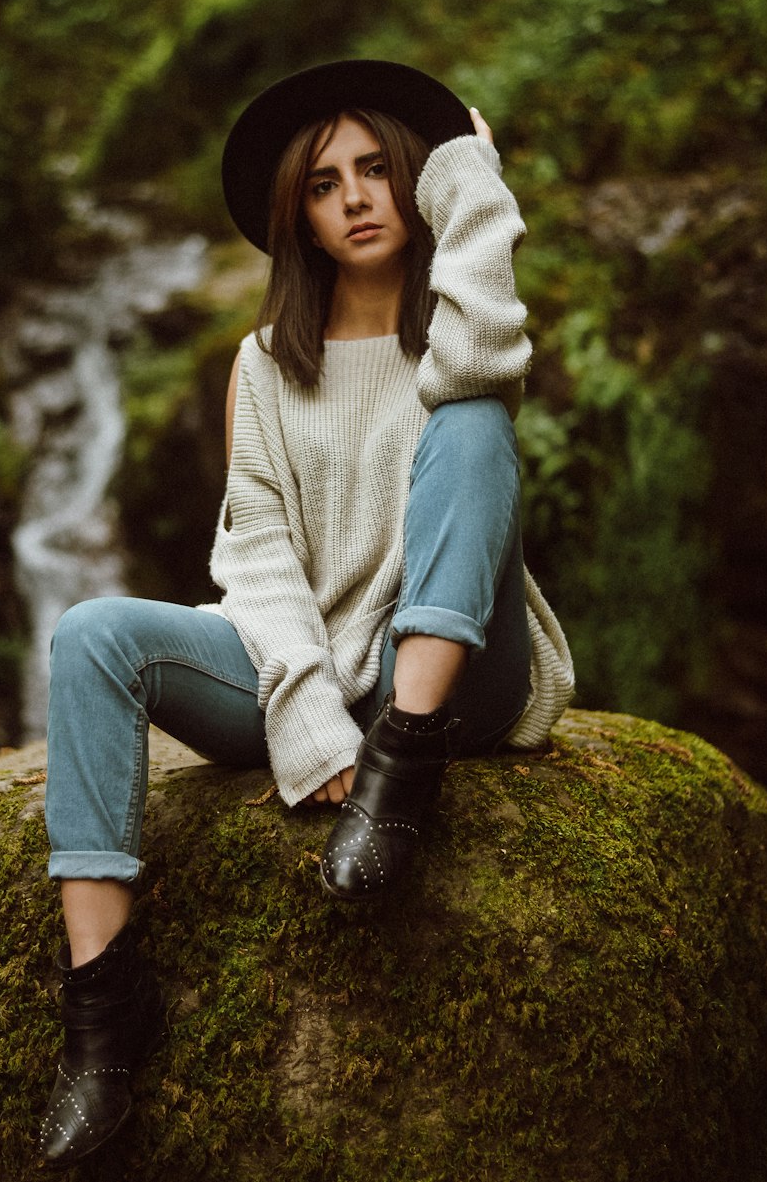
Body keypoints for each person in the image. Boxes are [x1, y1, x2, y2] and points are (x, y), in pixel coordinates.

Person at [37, 59, 574, 1170]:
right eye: (327, 184)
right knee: (91, 633)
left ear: (416, 187)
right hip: (320, 670)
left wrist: (471, 175)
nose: (358, 198)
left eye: (380, 170)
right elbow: (258, 555)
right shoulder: (260, 366)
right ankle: (101, 1014)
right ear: (303, 216)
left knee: (473, 427)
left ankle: (401, 773)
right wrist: (307, 713)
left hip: (456, 672)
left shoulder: (459, 334)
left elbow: (478, 369)